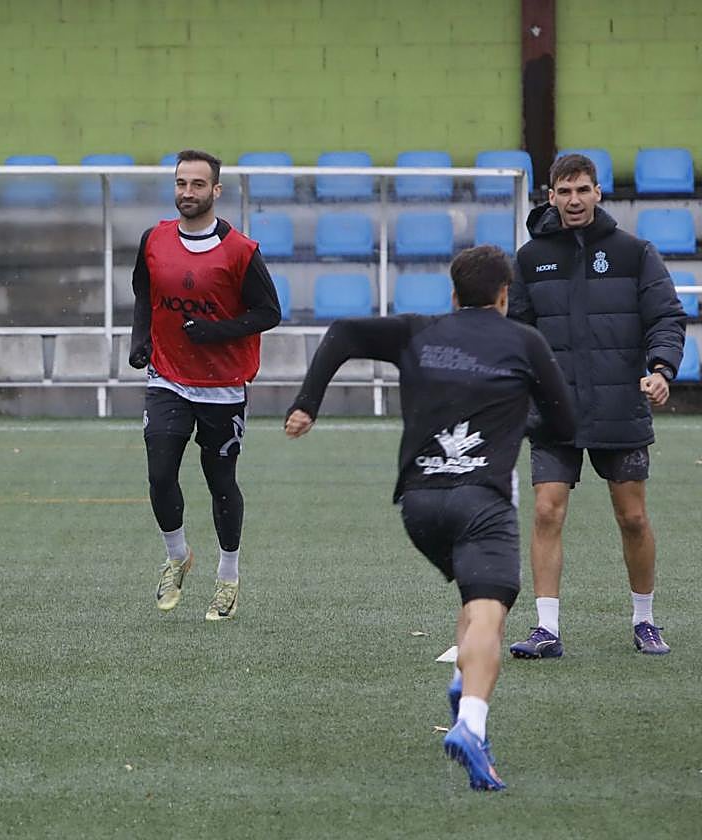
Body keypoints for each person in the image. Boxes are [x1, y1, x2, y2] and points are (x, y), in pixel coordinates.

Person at [284, 245, 575, 791]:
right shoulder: (524, 342)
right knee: (491, 612)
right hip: (480, 500)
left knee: (474, 591)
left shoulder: (418, 330)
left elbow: (344, 331)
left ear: (453, 293)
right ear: (504, 295)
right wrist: (519, 412)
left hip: (418, 506)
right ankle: (471, 723)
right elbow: (563, 420)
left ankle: (465, 674)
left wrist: (308, 403)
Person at [507, 153, 686, 659]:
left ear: (598, 193)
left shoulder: (636, 253)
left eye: (582, 190)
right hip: (554, 410)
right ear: (550, 197)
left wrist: (661, 370)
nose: (574, 200)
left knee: (632, 518)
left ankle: (645, 620)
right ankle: (546, 630)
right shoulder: (529, 258)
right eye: (564, 192)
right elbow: (518, 335)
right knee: (546, 510)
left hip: (619, 405)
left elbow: (667, 318)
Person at [130, 149, 280, 621]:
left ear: (216, 191)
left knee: (220, 482)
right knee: (159, 472)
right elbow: (143, 293)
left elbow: (268, 313)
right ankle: (176, 556)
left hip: (222, 386)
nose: (187, 193)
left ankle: (228, 576)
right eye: (180, 183)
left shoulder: (241, 251)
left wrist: (215, 331)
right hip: (168, 378)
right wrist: (140, 341)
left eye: (197, 185)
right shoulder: (153, 239)